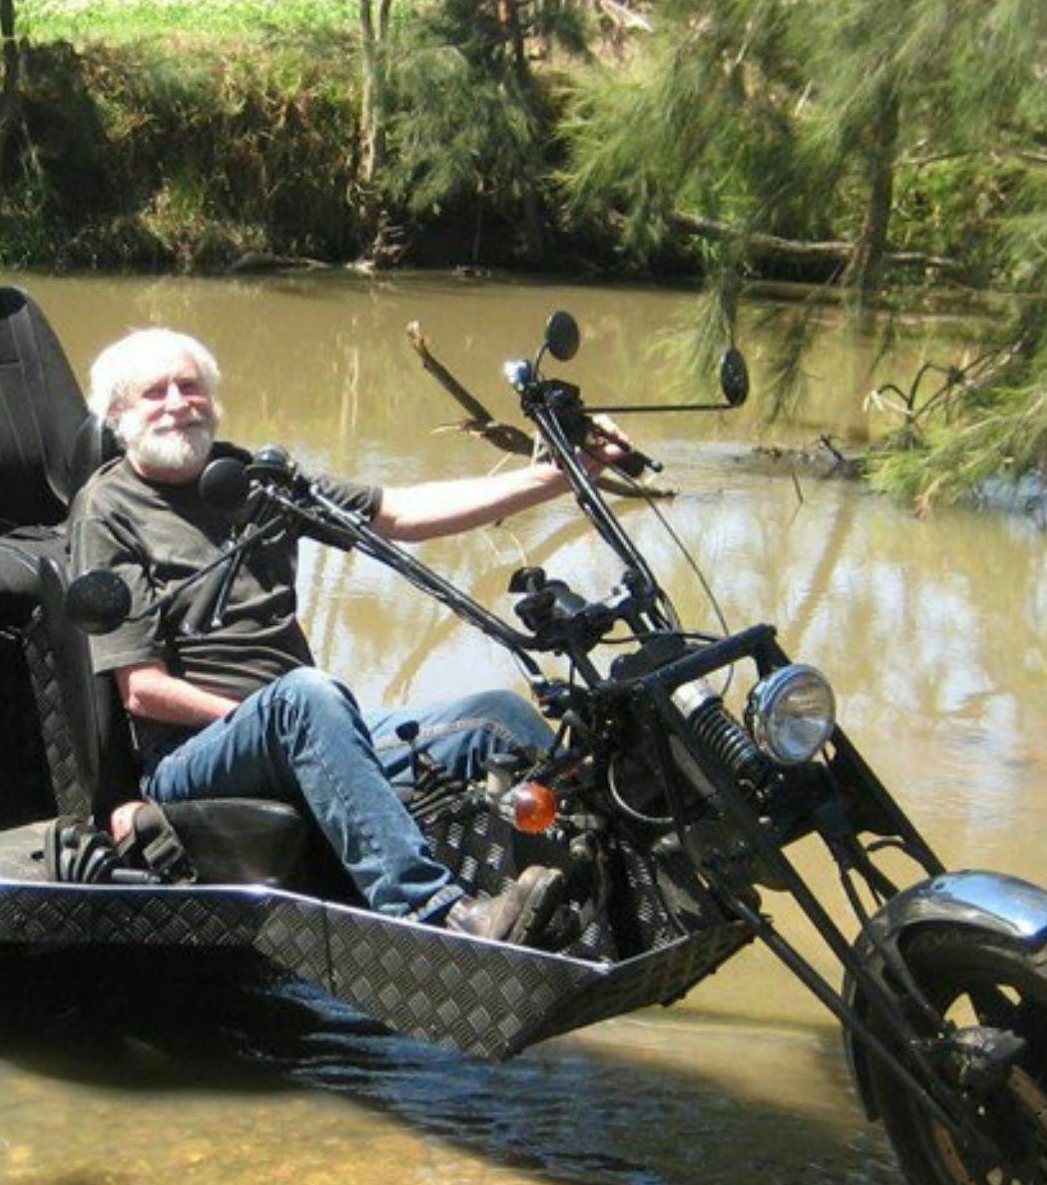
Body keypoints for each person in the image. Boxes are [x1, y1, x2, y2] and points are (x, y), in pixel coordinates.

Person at [66, 327, 631, 946]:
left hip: (310, 722)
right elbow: (143, 692)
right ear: (118, 414)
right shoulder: (108, 508)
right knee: (309, 698)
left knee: (494, 718)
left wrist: (564, 475)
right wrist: (280, 725)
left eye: (191, 386)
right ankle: (438, 912)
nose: (179, 402)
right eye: (155, 392)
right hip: (192, 757)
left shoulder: (253, 480)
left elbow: (401, 514)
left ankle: (612, 878)